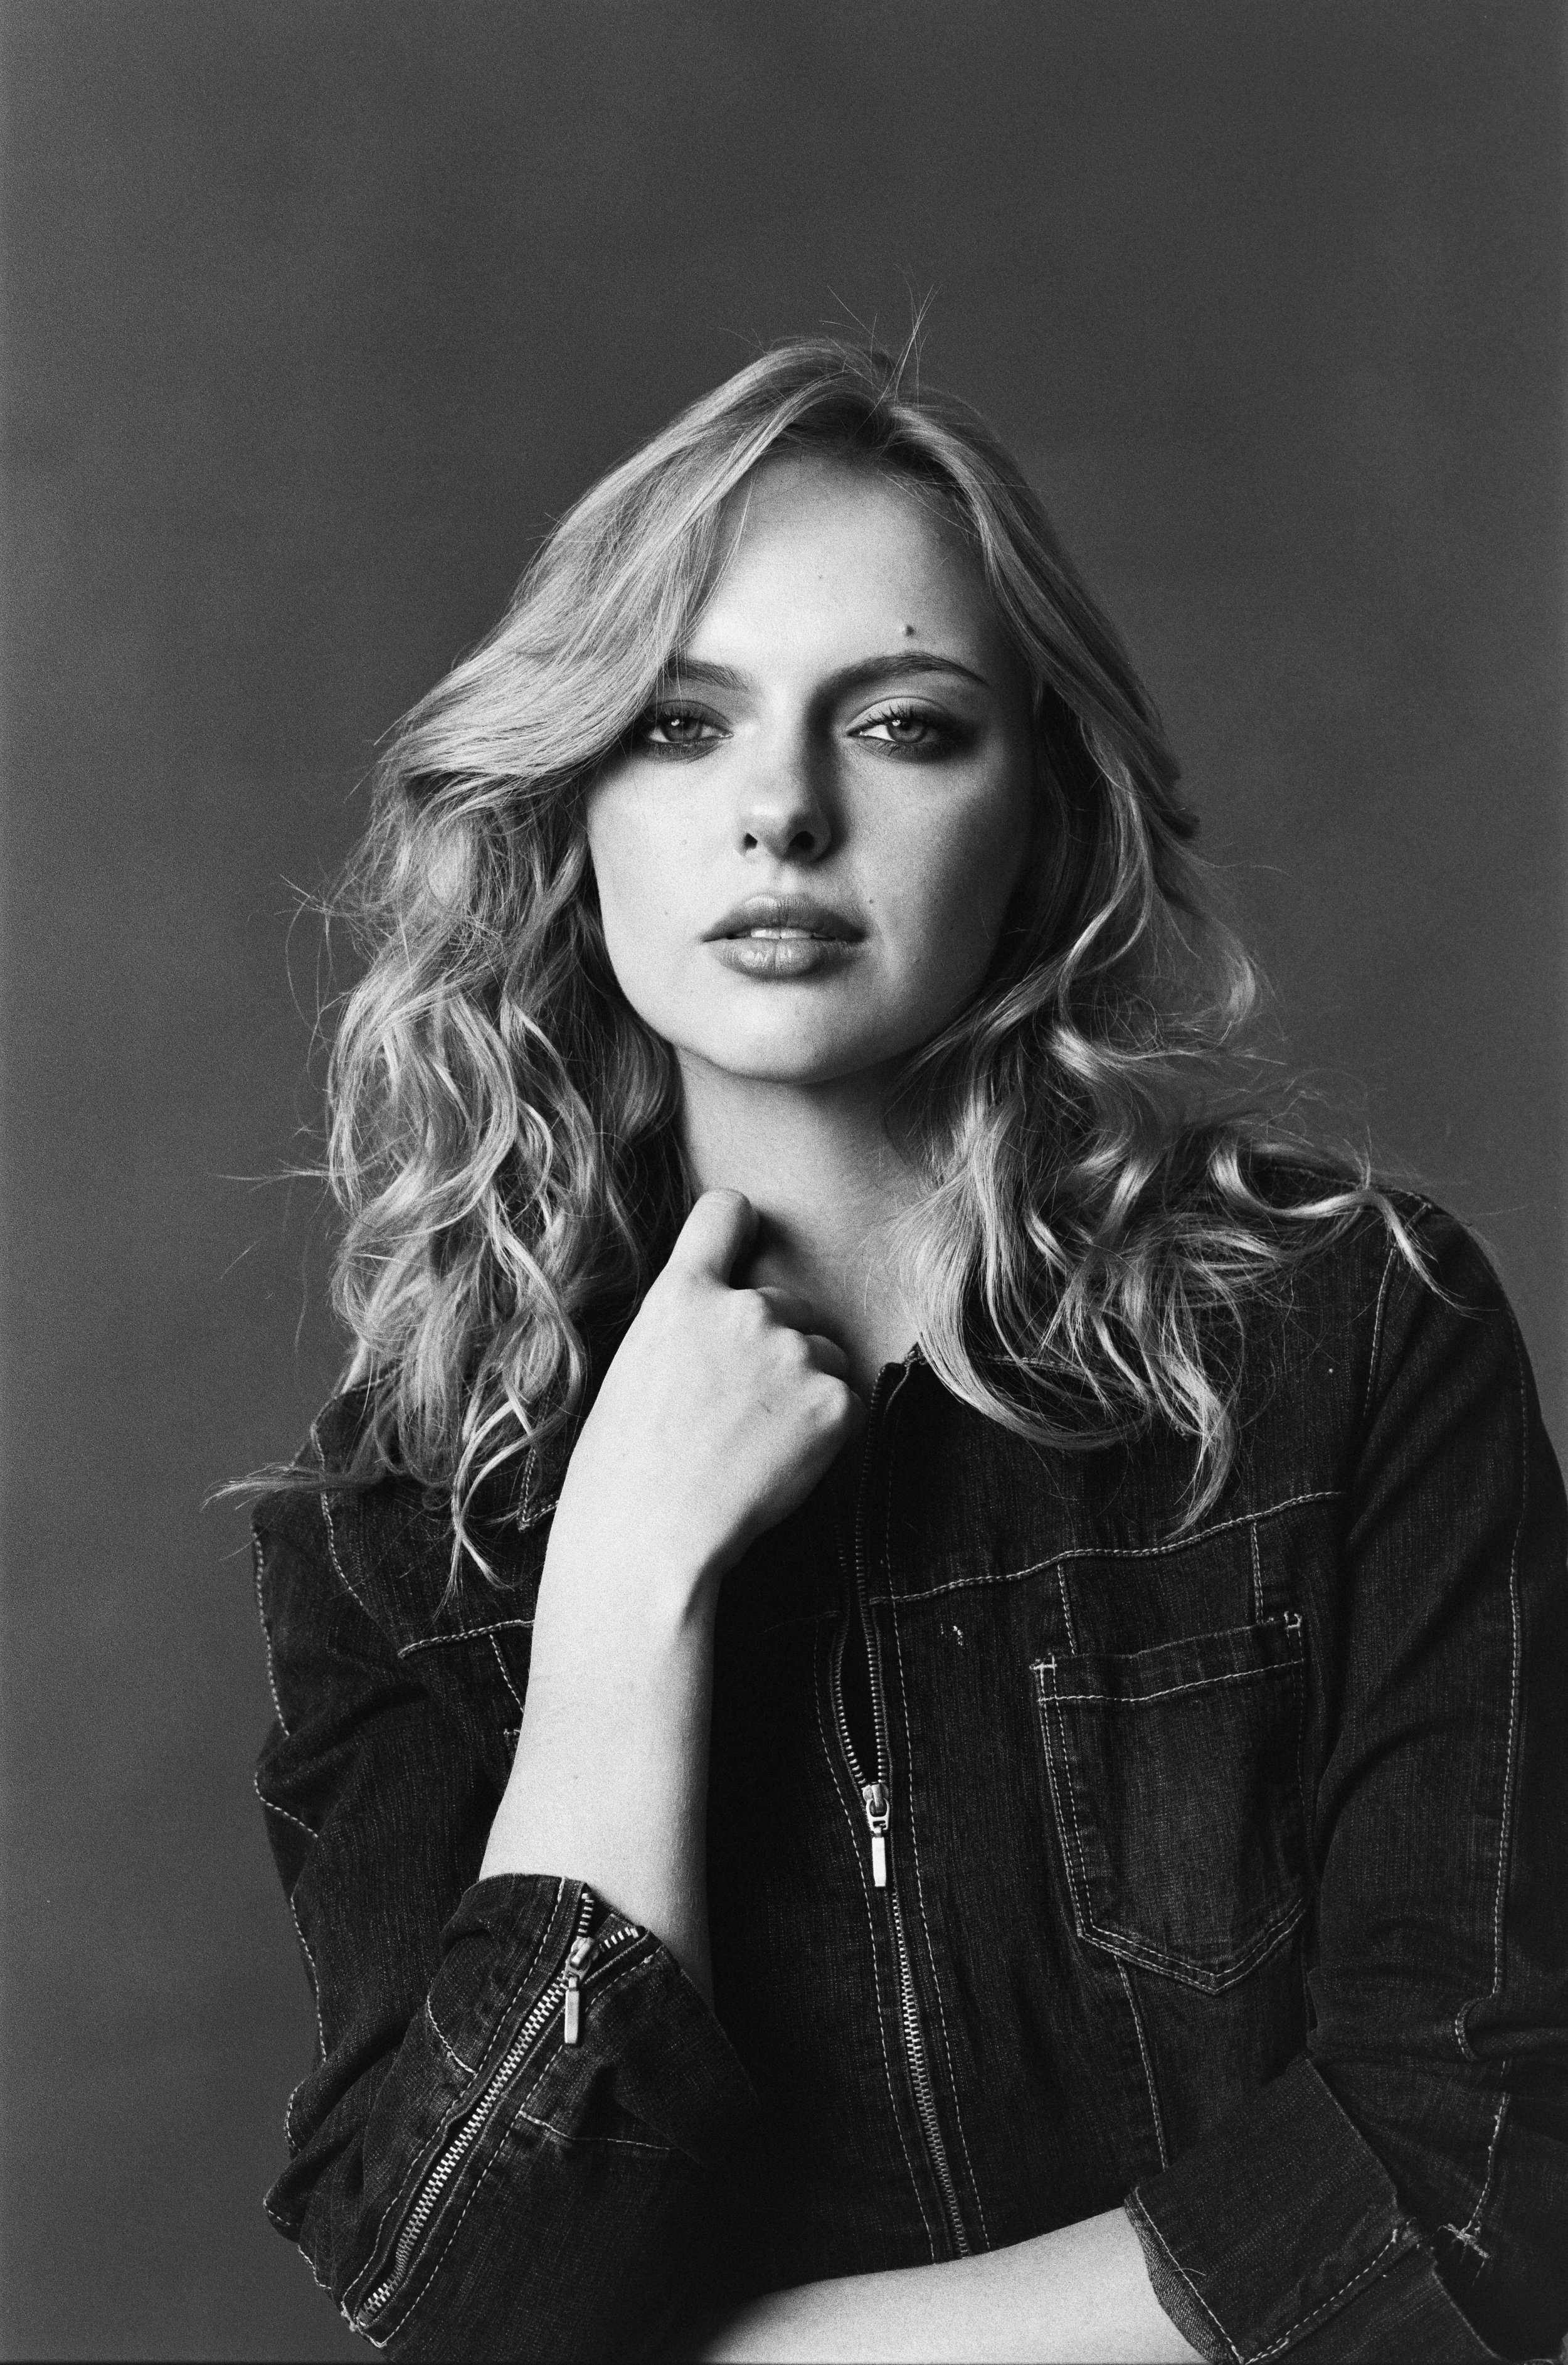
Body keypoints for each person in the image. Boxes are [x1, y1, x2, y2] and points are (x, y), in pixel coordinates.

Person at [248, 338, 1567, 2363]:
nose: (781, 809)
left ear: (1041, 808)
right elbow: (460, 2305)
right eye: (680, 723)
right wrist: (616, 1602)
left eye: (904, 724)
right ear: (568, 800)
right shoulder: (410, 1516)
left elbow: (1478, 2173)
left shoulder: (1353, 1340)